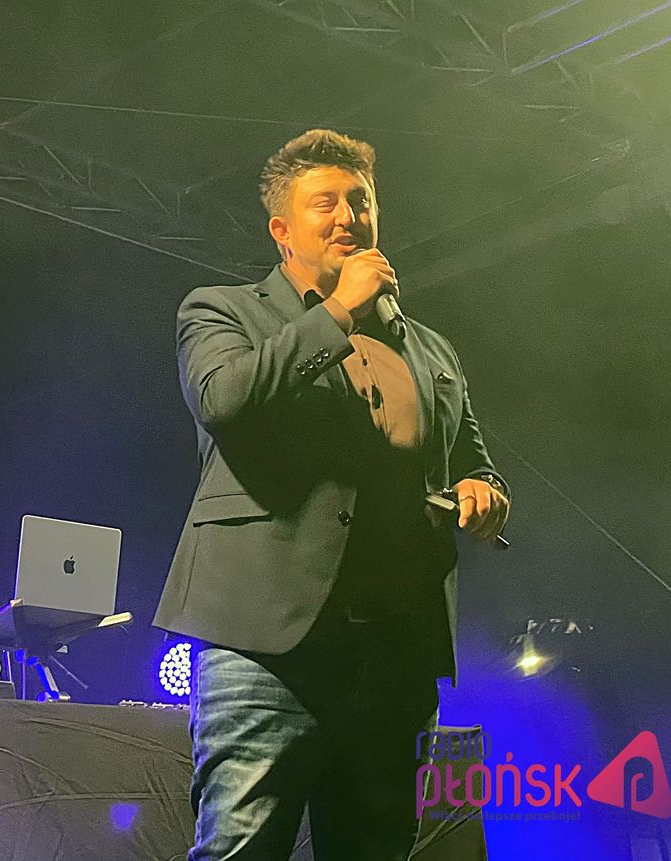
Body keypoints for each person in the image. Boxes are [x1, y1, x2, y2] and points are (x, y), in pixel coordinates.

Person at [153, 129, 511, 860]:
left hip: (394, 652)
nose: (349, 216)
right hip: (267, 647)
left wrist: (483, 489)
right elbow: (225, 400)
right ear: (282, 230)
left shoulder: (430, 349)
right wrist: (337, 312)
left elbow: (473, 458)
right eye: (326, 203)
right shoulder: (222, 311)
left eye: (361, 201)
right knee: (242, 849)